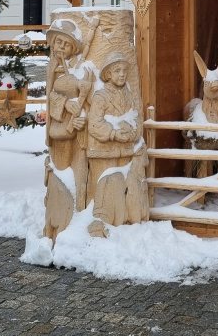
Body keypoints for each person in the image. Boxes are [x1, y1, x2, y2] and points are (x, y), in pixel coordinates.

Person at [87, 53, 144, 232]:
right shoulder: (101, 96)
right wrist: (113, 133)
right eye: (117, 70)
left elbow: (136, 117)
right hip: (104, 153)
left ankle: (126, 218)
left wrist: (133, 132)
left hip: (127, 151)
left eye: (124, 71)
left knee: (129, 186)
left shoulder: (129, 95)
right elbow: (95, 123)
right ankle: (103, 220)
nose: (122, 74)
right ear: (108, 74)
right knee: (107, 186)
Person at [45, 19, 95, 212]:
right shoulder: (52, 68)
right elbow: (51, 96)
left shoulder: (80, 65)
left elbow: (91, 95)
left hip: (79, 128)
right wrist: (66, 104)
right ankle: (62, 211)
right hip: (61, 127)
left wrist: (85, 91)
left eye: (66, 44)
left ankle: (81, 210)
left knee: (80, 173)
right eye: (59, 42)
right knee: (61, 171)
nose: (62, 47)